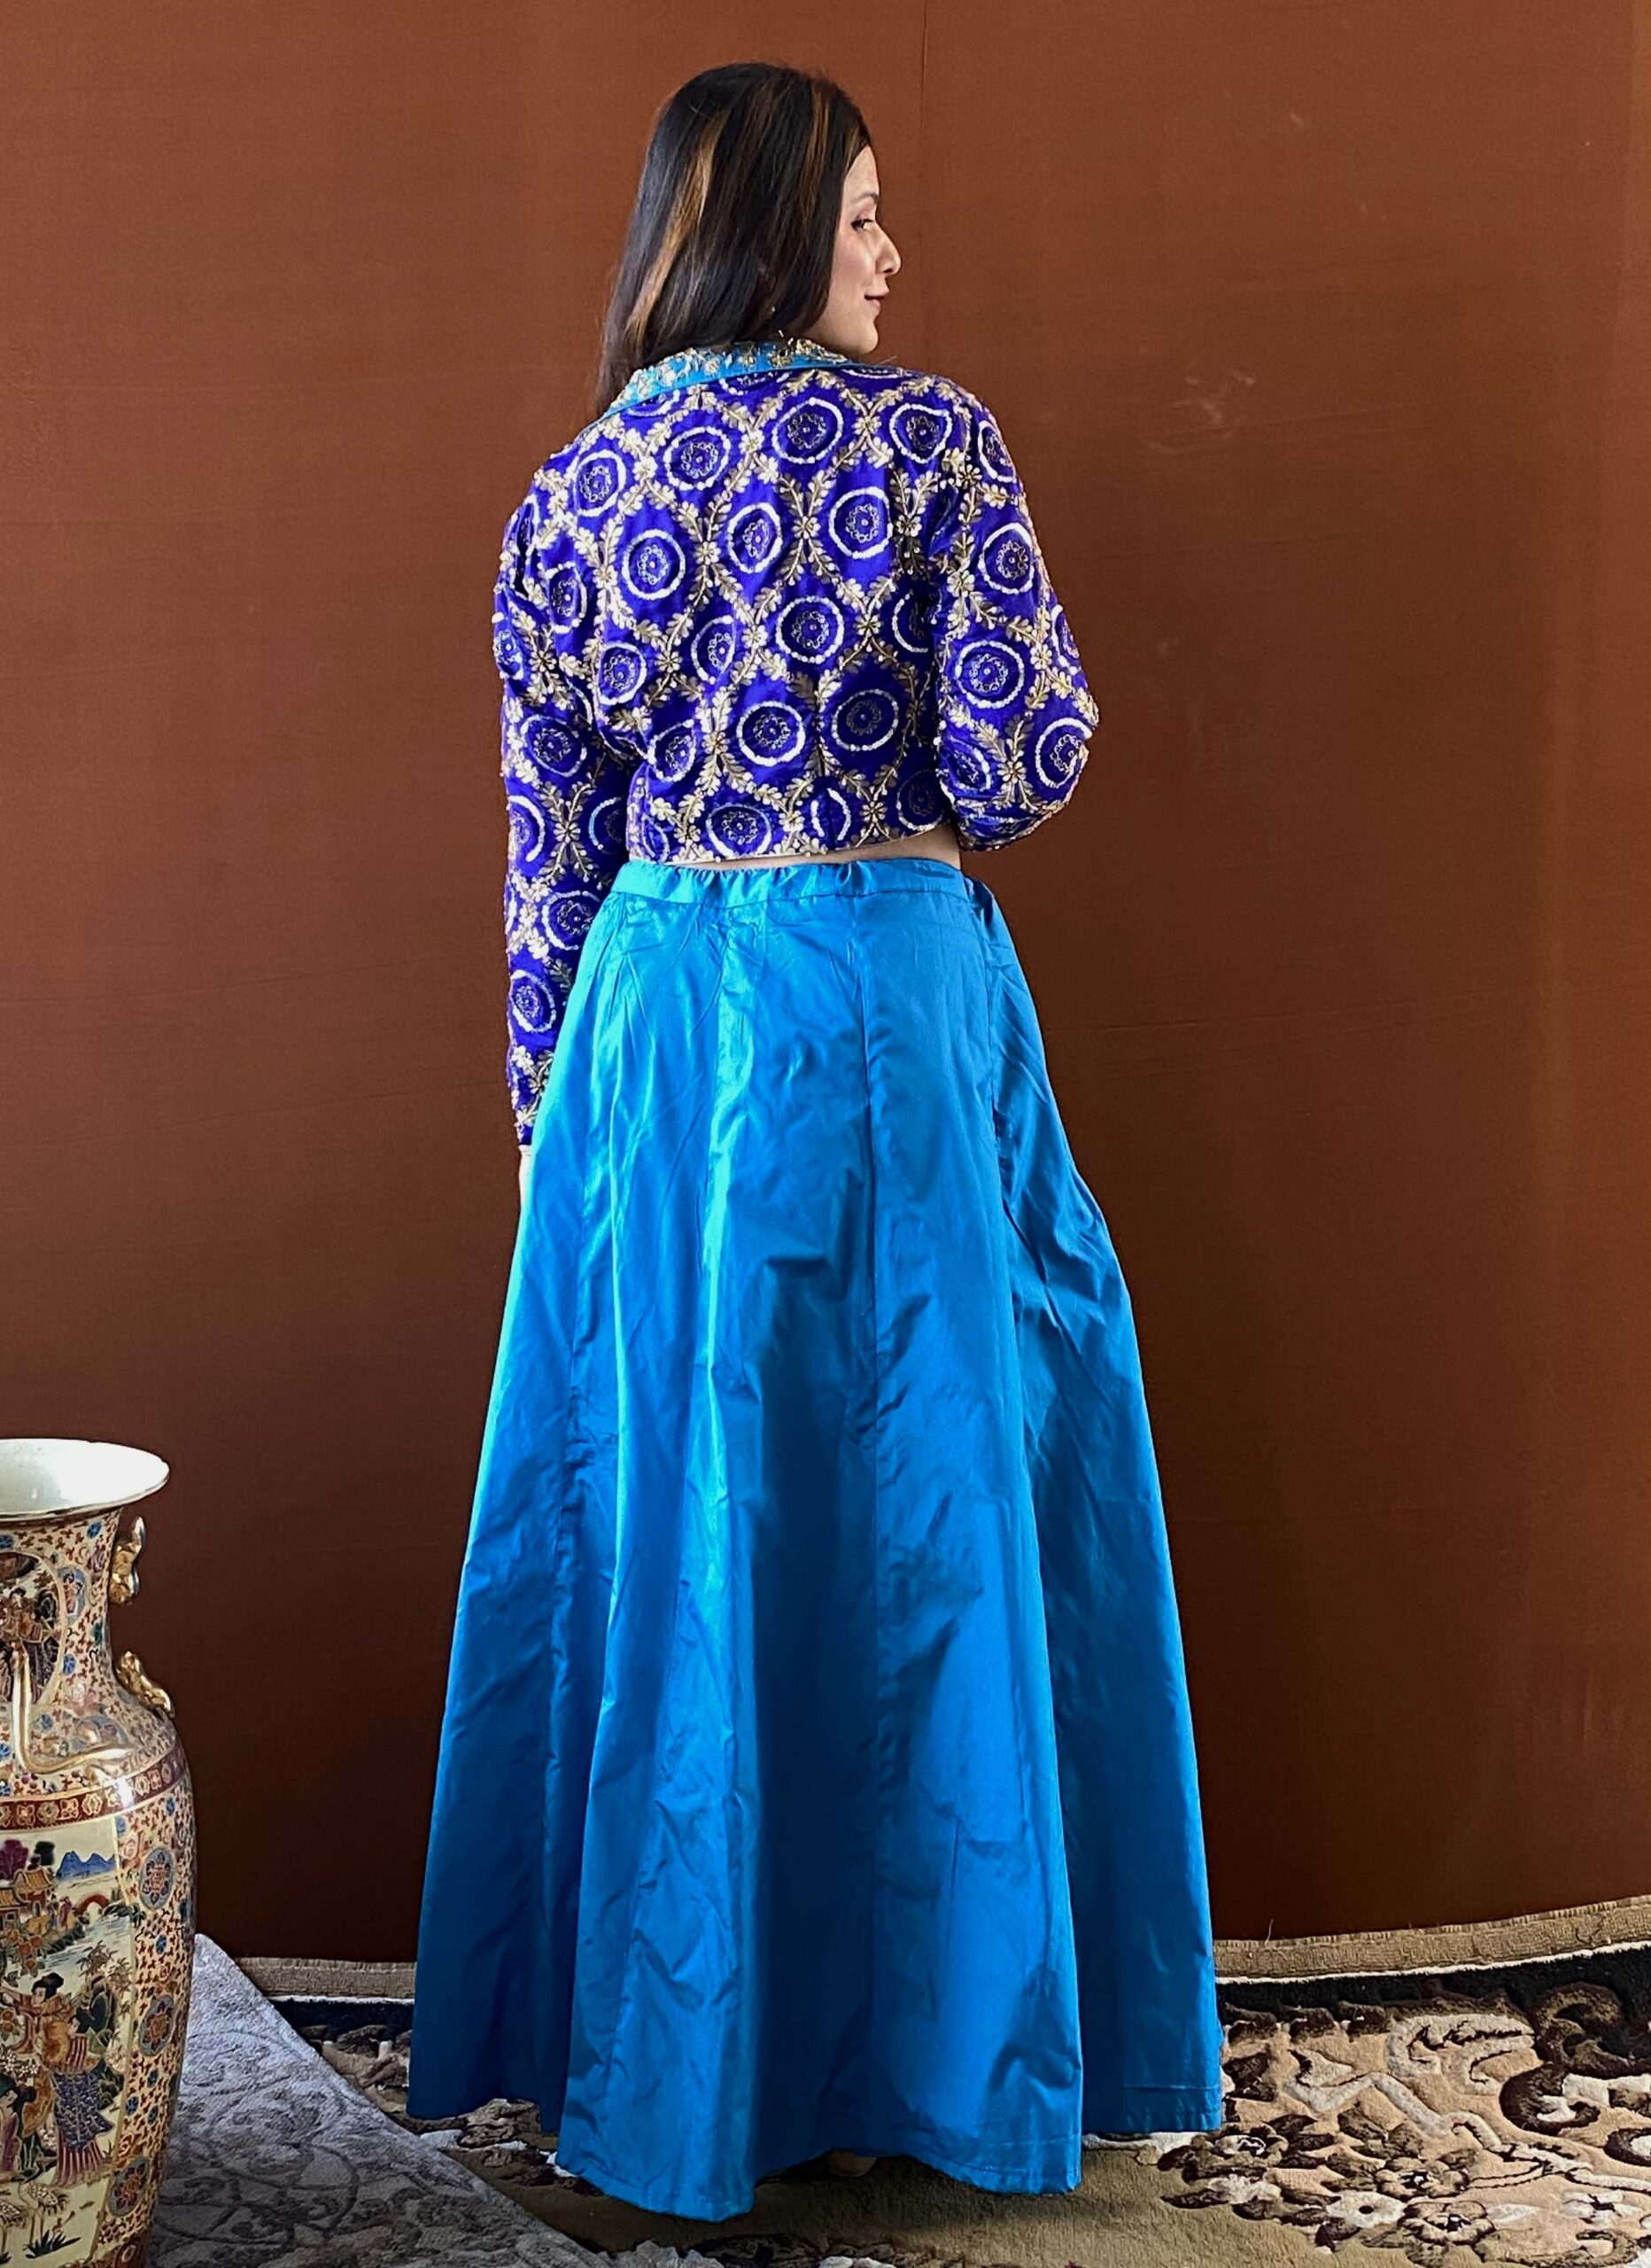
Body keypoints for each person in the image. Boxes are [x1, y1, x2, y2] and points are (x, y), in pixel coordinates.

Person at [406, 58, 1226, 2224]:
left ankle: (689, 2062)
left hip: (657, 1034)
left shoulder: (568, 494)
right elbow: (1021, 760)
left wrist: (547, 1127)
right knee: (932, 1495)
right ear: (775, 228)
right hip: (876, 993)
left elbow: (550, 865)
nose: (889, 253)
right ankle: (927, 2059)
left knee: (695, 1502)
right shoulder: (929, 442)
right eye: (860, 214)